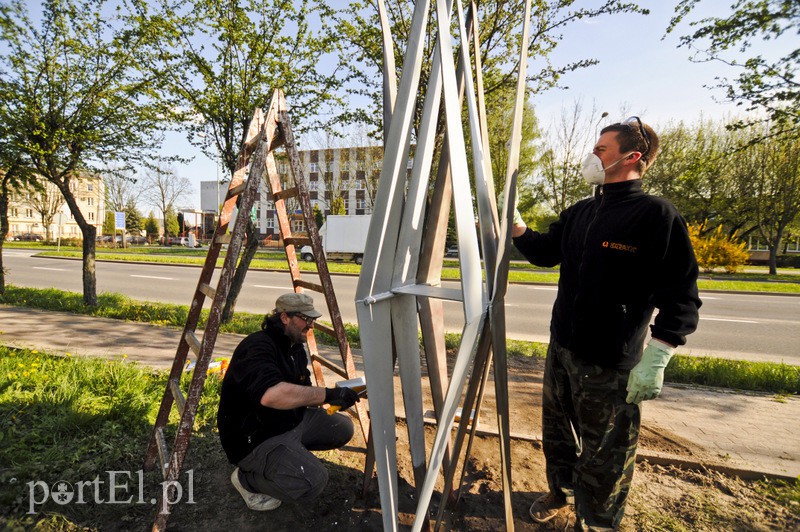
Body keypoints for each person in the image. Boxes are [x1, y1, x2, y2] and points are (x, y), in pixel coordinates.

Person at [511, 117, 701, 530]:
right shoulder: (583, 210)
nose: (592, 156)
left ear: (632, 157)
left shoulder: (656, 216)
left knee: (607, 449)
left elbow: (682, 294)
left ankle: (596, 520)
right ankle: (560, 491)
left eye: (601, 150)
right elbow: (545, 252)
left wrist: (661, 352)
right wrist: (519, 228)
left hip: (610, 360)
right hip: (562, 346)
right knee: (557, 430)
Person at [217, 292, 361, 511]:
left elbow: (302, 390)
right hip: (255, 437)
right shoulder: (257, 347)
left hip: (288, 420)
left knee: (342, 428)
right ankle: (247, 480)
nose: (311, 325)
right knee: (313, 482)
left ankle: (288, 457)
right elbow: (271, 395)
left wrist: (342, 395)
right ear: (285, 317)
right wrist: (327, 394)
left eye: (313, 320)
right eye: (306, 319)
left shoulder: (294, 347)